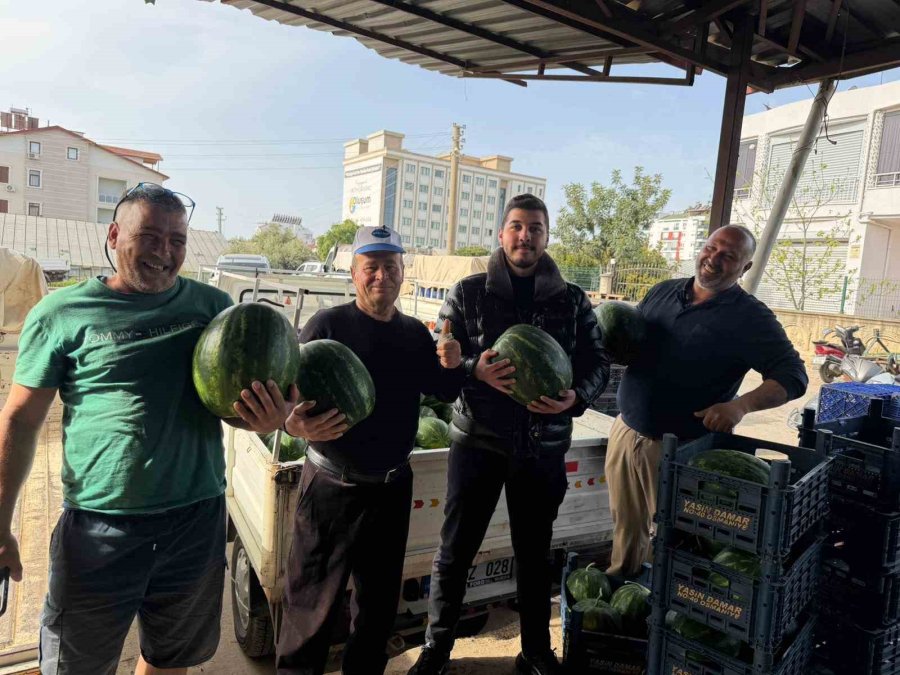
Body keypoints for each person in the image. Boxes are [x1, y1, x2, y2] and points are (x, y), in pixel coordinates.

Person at [0, 183, 295, 675]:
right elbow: (20, 421)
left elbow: (226, 404)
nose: (164, 252)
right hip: (99, 527)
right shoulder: (60, 313)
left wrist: (260, 419)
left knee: (170, 660)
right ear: (115, 236)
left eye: (177, 240)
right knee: (76, 666)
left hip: (195, 520)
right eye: (150, 237)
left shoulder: (214, 308)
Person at [409, 194, 610, 675]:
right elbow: (445, 348)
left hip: (543, 444)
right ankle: (438, 648)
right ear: (502, 234)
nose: (525, 236)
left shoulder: (573, 300)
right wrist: (476, 367)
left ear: (545, 236)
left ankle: (535, 652)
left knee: (535, 553)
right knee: (456, 550)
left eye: (535, 228)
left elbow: (599, 363)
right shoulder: (468, 291)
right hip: (478, 438)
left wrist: (576, 398)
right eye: (517, 226)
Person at [275, 225, 464, 675]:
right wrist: (291, 421)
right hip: (330, 488)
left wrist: (454, 364)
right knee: (310, 611)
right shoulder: (326, 326)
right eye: (371, 266)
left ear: (403, 273)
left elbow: (442, 387)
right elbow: (286, 396)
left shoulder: (415, 334)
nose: (382, 276)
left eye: (391, 266)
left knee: (377, 613)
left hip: (392, 488)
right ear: (354, 272)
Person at [605, 224, 809, 578]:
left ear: (744, 267)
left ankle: (665, 613)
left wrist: (740, 406)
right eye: (712, 247)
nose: (714, 259)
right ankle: (624, 594)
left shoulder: (751, 318)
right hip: (626, 431)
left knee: (676, 540)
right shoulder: (662, 291)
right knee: (624, 526)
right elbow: (629, 341)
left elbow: (793, 376)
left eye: (728, 255)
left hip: (680, 449)